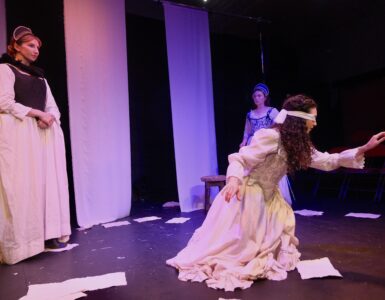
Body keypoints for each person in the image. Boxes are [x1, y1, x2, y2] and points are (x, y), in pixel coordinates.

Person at [167, 94, 385, 291]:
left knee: (275, 239)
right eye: (312, 118)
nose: (315, 123)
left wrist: (363, 148)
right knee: (239, 252)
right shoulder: (270, 137)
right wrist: (233, 180)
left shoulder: (299, 145)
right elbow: (239, 158)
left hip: (270, 197)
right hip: (250, 195)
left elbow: (327, 161)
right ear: (299, 119)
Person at [0, 26, 71, 264]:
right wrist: (36, 113)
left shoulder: (40, 77)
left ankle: (45, 234)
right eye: (30, 45)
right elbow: (4, 102)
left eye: (38, 47)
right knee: (21, 187)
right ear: (16, 47)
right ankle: (21, 242)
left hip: (42, 136)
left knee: (43, 185)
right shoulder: (5, 69)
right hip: (19, 135)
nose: (36, 50)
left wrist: (49, 117)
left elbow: (52, 105)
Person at [240, 83, 293, 205]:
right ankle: (256, 200)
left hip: (268, 143)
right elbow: (247, 130)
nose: (257, 98)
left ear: (265, 97)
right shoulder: (250, 114)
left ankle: (275, 199)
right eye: (255, 96)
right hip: (254, 143)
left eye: (259, 95)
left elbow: (281, 124)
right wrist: (243, 142)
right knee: (254, 170)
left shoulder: (272, 111)